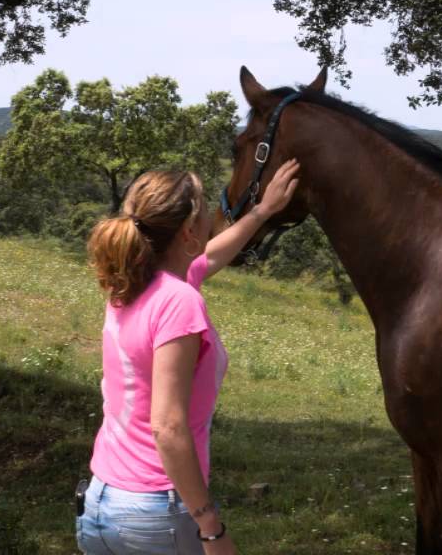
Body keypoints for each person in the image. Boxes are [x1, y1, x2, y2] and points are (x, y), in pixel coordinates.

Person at [78, 162, 300, 554]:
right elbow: (167, 425)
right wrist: (208, 524)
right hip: (154, 513)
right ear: (187, 232)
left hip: (103, 503)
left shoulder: (128, 286)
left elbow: (210, 257)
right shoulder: (178, 301)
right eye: (202, 210)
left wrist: (263, 211)